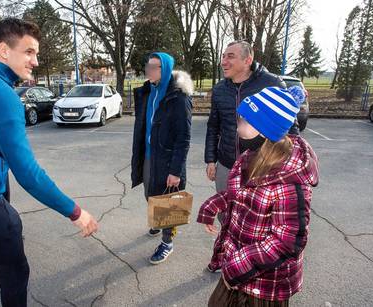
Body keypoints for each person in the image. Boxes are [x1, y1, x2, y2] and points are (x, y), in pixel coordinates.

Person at [0, 18, 98, 307]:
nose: (35, 61)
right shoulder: (0, 94)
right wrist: (75, 212)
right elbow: (28, 172)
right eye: (29, 52)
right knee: (15, 273)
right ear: (3, 50)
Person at [198, 86, 319, 306]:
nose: (237, 129)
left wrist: (237, 265)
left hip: (265, 284)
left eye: (243, 122)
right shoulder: (250, 156)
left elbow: (288, 242)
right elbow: (243, 193)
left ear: (265, 130)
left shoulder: (289, 181)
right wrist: (214, 204)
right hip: (238, 266)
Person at [205, 41, 293, 196]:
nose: (223, 61)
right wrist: (211, 160)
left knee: (256, 216)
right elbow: (213, 127)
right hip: (227, 165)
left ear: (248, 60)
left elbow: (291, 128)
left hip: (260, 166)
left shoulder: (272, 83)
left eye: (230, 57)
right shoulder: (219, 89)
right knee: (225, 212)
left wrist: (286, 165)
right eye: (223, 56)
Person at [131, 52, 193, 264]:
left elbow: (184, 138)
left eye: (154, 66)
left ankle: (168, 242)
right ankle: (158, 222)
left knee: (169, 203)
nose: (149, 70)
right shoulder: (149, 91)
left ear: (165, 69)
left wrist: (175, 171)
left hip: (167, 161)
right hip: (149, 157)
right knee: (150, 194)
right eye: (148, 65)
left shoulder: (179, 97)